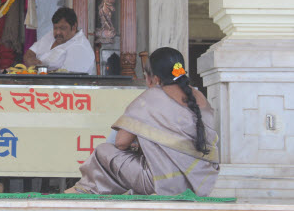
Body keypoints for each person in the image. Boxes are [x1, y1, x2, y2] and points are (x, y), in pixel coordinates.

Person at [66, 47, 220, 196]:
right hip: (201, 182)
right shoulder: (199, 96)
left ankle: (86, 188)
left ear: (156, 79)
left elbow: (121, 143)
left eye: (147, 75)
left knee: (103, 151)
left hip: (161, 183)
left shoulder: (151, 97)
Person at [23, 7, 95, 74]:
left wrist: (39, 70)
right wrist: (30, 60)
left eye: (62, 28)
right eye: (55, 28)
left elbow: (66, 78)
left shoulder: (80, 47)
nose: (57, 32)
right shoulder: (51, 34)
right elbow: (29, 53)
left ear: (74, 27)